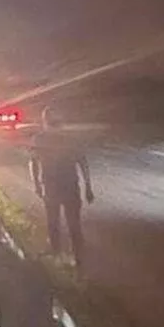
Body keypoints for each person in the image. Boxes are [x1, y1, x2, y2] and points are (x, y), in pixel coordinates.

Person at [29, 107, 95, 267]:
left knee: (53, 221)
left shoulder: (40, 138)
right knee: (74, 223)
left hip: (51, 186)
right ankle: (78, 258)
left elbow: (33, 163)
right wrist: (88, 187)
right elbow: (83, 163)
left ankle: (56, 253)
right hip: (70, 185)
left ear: (44, 121)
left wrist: (37, 184)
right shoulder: (71, 139)